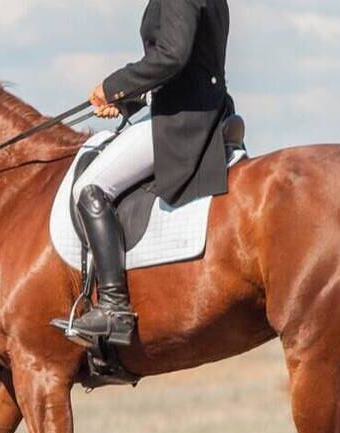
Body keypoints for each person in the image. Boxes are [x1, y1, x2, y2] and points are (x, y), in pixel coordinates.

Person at [62, 0, 234, 346]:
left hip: (181, 123)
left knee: (91, 187)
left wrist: (114, 86)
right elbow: (190, 67)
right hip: (201, 109)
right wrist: (128, 100)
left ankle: (114, 307)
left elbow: (172, 55)